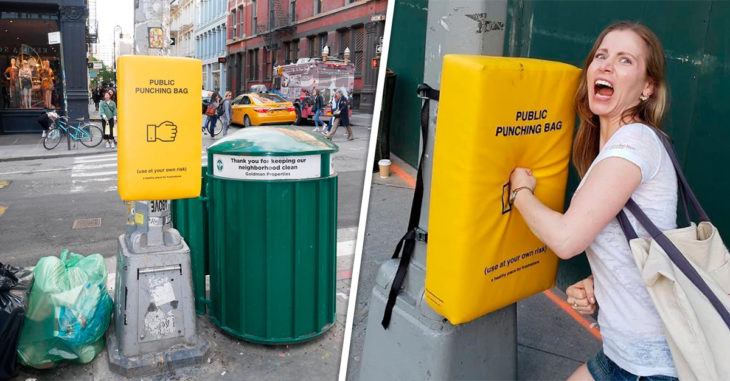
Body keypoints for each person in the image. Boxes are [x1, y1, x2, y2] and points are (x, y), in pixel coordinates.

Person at [508, 22, 676, 381]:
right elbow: (643, 245)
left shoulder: (635, 144)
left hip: (652, 367)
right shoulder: (615, 150)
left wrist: (519, 191)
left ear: (648, 88)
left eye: (624, 60)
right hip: (621, 355)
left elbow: (567, 239)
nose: (606, 65)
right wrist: (599, 280)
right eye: (601, 56)